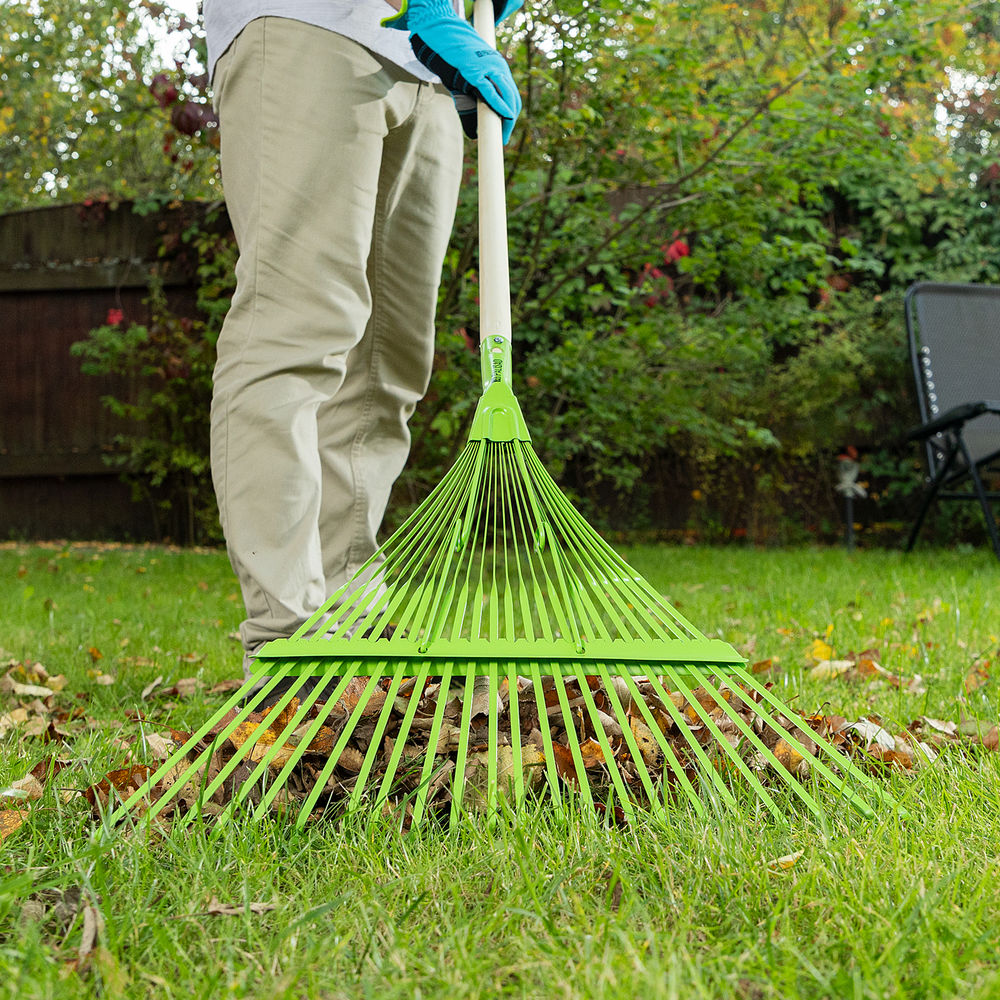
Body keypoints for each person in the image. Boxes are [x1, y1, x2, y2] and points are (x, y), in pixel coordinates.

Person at [201, 0, 522, 685]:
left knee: (390, 360)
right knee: (296, 329)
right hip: (305, 21)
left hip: (422, 65)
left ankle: (351, 626)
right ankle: (288, 640)